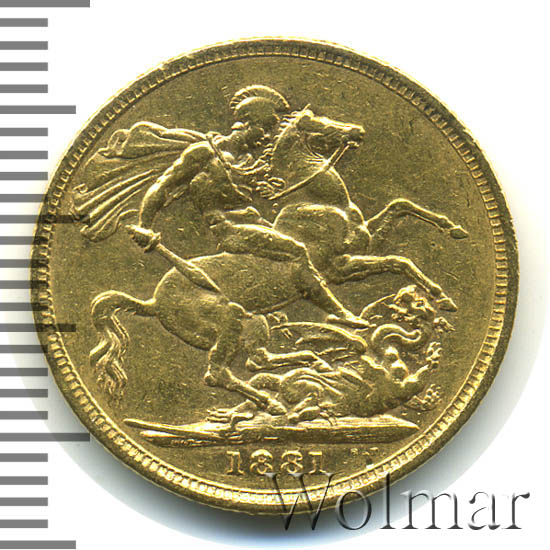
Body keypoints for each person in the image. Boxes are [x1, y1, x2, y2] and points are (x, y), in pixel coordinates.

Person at [129, 85, 366, 328]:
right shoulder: (204, 153)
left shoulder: (248, 162)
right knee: (296, 250)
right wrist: (144, 226)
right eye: (265, 128)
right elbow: (163, 186)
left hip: (254, 223)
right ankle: (338, 312)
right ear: (248, 124)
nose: (267, 136)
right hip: (228, 230)